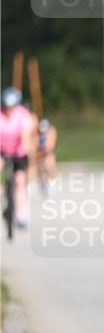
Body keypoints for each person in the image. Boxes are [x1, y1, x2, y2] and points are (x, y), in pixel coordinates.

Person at [0, 87, 36, 229]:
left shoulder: (23, 115)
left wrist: (28, 148)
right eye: (6, 107)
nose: (8, 110)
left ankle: (21, 216)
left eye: (11, 107)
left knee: (20, 182)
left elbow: (25, 135)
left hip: (19, 152)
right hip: (2, 150)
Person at [35, 118, 58, 184]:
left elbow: (50, 145)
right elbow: (36, 143)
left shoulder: (52, 131)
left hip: (48, 153)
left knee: (49, 162)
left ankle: (51, 178)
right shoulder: (38, 133)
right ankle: (43, 179)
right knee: (40, 166)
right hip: (40, 154)